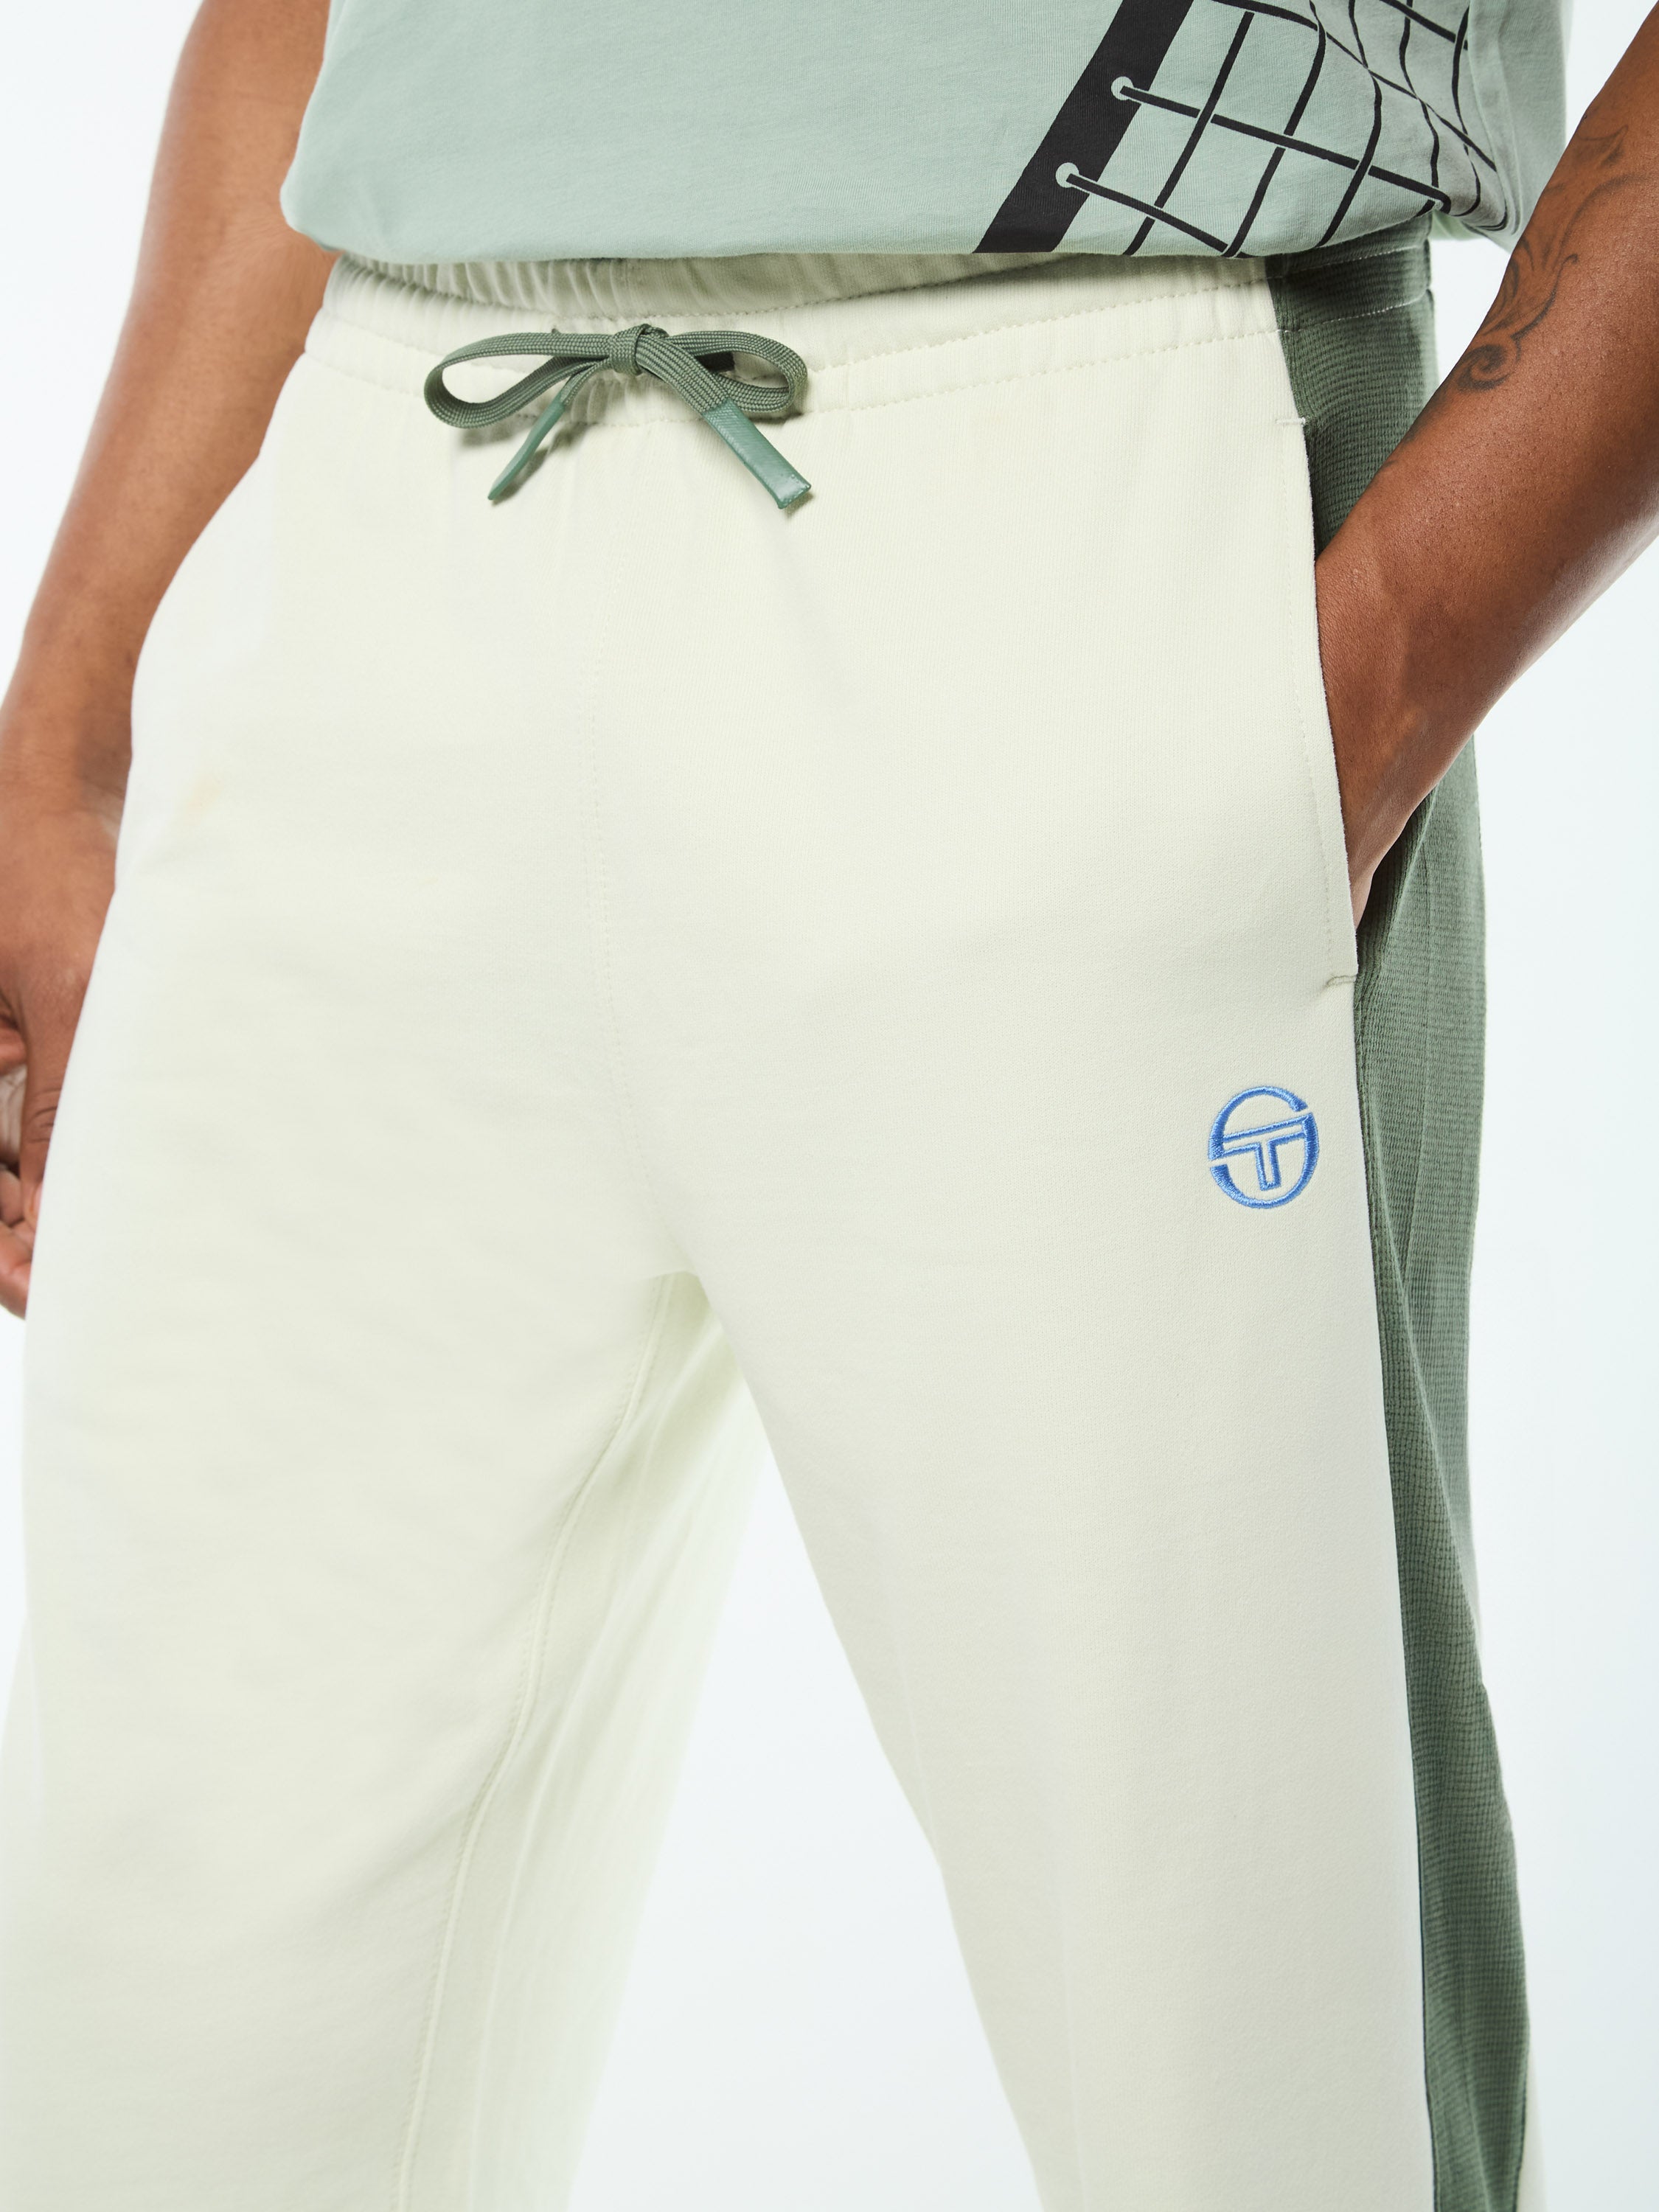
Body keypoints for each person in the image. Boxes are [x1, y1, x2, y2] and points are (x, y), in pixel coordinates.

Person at [0, 1, 1650, 2203]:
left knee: (1251, 2096)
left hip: (1105, 423)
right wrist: (73, 729)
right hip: (373, 457)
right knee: (163, 2070)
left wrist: (1369, 674)